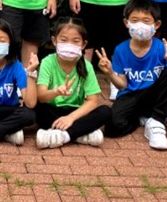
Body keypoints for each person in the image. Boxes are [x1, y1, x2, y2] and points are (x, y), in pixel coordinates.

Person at [98, 0, 167, 151]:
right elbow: (122, 85)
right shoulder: (121, 50)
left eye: (146, 21)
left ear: (157, 25)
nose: (140, 25)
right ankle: (140, 120)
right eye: (134, 20)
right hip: (131, 95)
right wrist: (110, 73)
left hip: (154, 95)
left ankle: (156, 121)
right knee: (112, 127)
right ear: (126, 23)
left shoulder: (162, 48)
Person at [35, 18, 112, 149]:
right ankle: (80, 134)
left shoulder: (87, 66)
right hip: (52, 110)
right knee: (35, 106)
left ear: (83, 44)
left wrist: (70, 118)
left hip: (76, 113)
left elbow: (93, 101)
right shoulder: (47, 62)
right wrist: (56, 92)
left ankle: (63, 136)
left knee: (105, 111)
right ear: (54, 40)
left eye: (75, 41)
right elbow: (41, 96)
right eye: (63, 40)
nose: (69, 45)